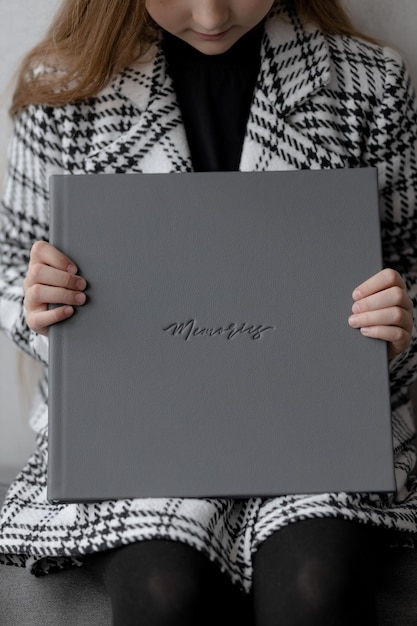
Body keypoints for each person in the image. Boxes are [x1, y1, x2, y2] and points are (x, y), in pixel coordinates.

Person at [0, 0, 416, 624]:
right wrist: (35, 306)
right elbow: (11, 262)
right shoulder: (65, 92)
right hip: (130, 424)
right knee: (163, 592)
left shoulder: (368, 81)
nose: (211, 12)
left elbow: (408, 255)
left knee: (316, 584)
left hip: (317, 418)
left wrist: (397, 320)